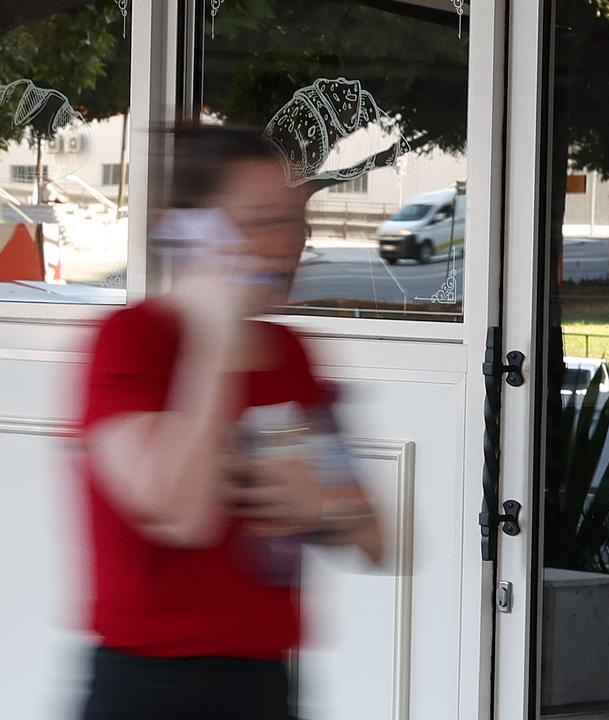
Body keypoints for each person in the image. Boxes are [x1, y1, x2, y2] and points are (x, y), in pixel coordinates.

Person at [78, 125, 382, 720]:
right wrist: (215, 330)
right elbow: (182, 513)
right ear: (189, 229)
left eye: (295, 220)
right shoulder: (132, 343)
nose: (287, 243)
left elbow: (375, 535)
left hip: (264, 685)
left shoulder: (292, 355)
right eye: (262, 221)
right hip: (148, 690)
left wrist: (318, 508)